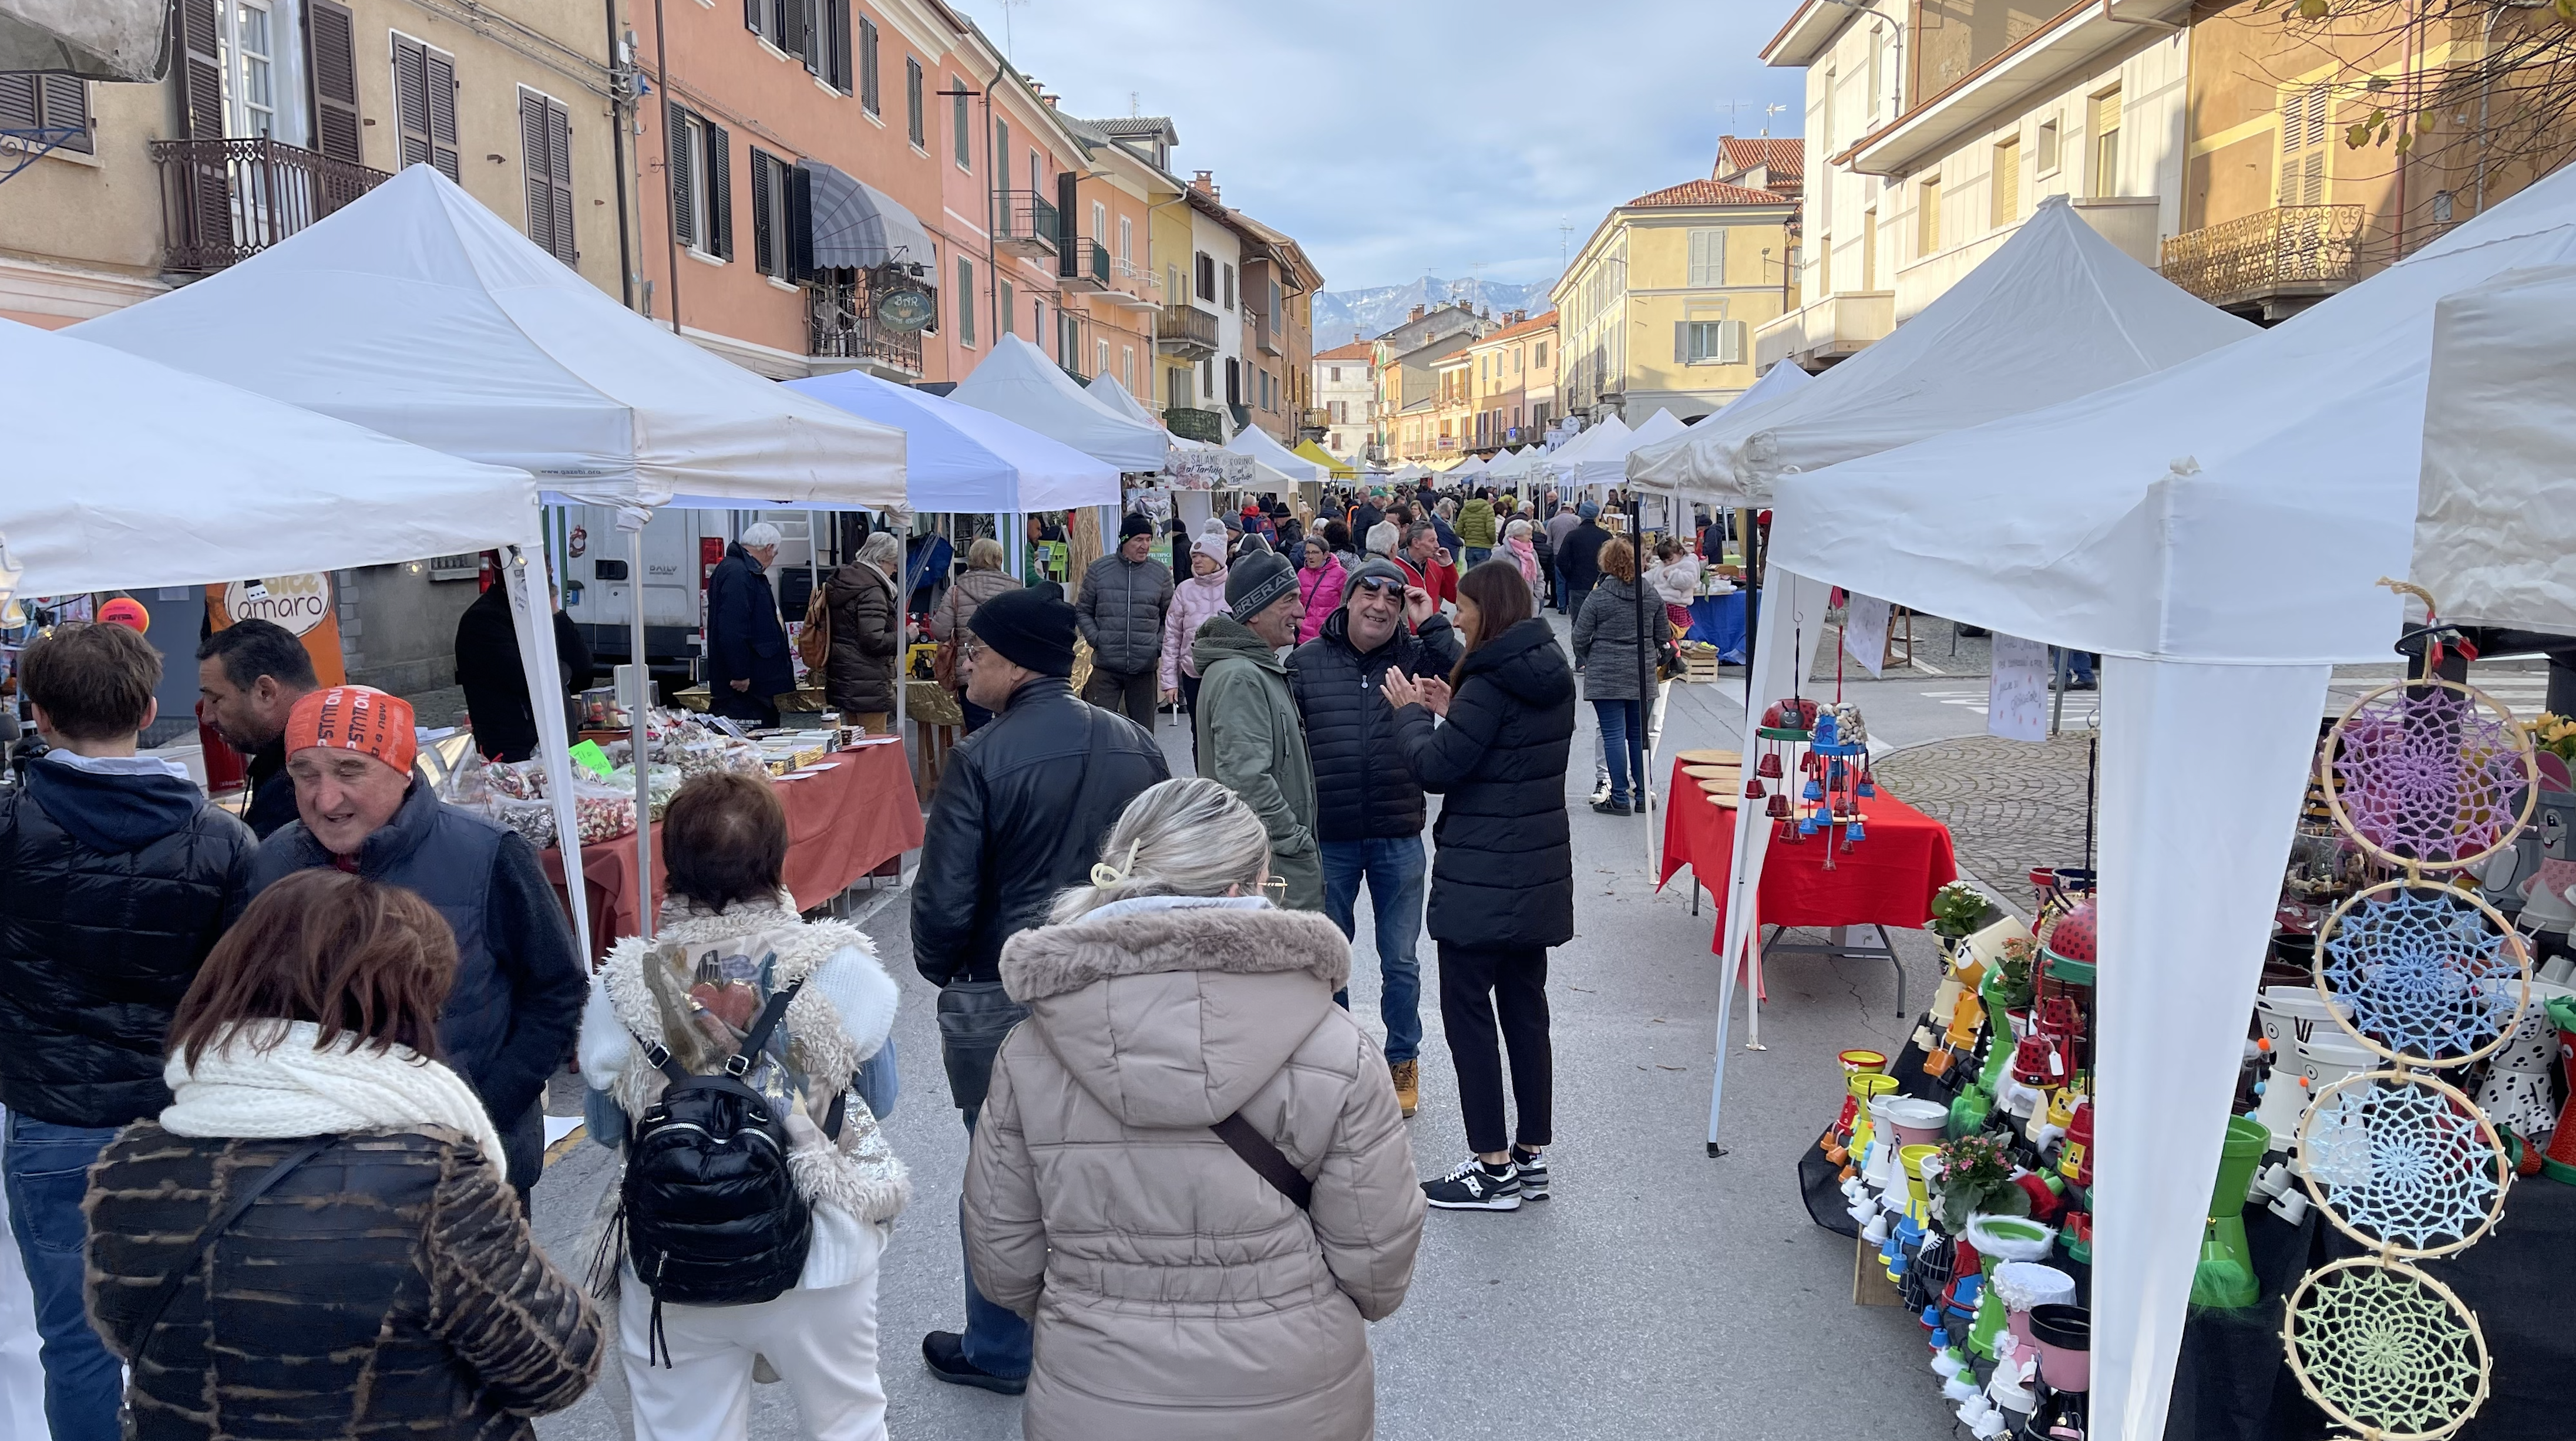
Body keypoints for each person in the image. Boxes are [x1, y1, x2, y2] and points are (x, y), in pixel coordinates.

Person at [962, 778, 1424, 1441]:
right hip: (1294, 1395)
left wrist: (1093, 1306)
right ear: (1242, 892)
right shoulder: (1338, 1048)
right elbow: (1377, 1268)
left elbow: (1005, 1263)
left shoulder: (1031, 1050)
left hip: (1094, 1397)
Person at [83, 870, 603, 1439]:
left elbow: (128, 1332)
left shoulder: (129, 1165)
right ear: (400, 1004)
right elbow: (559, 1368)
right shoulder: (431, 1178)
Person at [581, 773, 908, 1441]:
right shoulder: (841, 969)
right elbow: (879, 1099)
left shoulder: (626, 982)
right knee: (849, 1421)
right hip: (822, 1248)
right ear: (779, 860)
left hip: (674, 1251)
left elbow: (606, 1127)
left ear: (671, 865)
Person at [2, 621, 257, 1441]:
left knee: (74, 1342)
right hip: (181, 1117)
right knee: (189, 1333)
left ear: (37, 715)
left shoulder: (10, 826)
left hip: (51, 1118)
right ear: (149, 708)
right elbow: (248, 995)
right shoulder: (222, 838)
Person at [911, 585, 1168, 1395]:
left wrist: (945, 964)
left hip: (1002, 991)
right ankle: (1113, 1337)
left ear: (1018, 661)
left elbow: (942, 913)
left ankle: (1001, 1345)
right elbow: (1166, 881)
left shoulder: (979, 758)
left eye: (977, 653)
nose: (963, 668)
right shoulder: (1138, 746)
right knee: (1113, 1167)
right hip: (1118, 989)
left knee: (1000, 1178)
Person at [247, 685, 587, 1196]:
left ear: (403, 769)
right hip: (317, 1179)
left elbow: (557, 990)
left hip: (469, 1169)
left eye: (348, 770)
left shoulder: (489, 854)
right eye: (305, 774)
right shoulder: (270, 864)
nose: (325, 798)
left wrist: (485, 1107)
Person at [1381, 563, 1575, 1211]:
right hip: (1535, 876)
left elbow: (1438, 767)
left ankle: (1491, 1168)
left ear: (1486, 612)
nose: (1456, 616)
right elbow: (1501, 745)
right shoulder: (1544, 668)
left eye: (1462, 608)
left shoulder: (1489, 681)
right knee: (1526, 1013)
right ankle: (1530, 1156)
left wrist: (1413, 717)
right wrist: (1452, 701)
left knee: (1468, 1018)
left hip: (1482, 878)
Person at [1289, 558, 1458, 1117]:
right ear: (1348, 598)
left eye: (1393, 597)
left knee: (1401, 960)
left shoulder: (1416, 657)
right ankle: (1335, 1060)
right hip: (1330, 836)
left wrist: (1429, 622)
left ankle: (1401, 1059)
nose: (1381, 606)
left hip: (1397, 832)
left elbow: (1473, 683)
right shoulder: (1305, 664)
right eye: (1370, 594)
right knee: (1329, 959)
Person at [1192, 550, 1322, 912]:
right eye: (1289, 601)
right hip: (1271, 864)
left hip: (1270, 858)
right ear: (1254, 613)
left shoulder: (1254, 668)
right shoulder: (1241, 676)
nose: (1300, 611)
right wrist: (1293, 838)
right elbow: (1245, 779)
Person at [452, 566, 596, 764]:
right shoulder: (483, 619)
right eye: (542, 566)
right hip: (516, 753)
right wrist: (562, 671)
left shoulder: (539, 612)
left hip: (562, 743)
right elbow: (530, 678)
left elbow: (584, 672)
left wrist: (556, 614)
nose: (549, 571)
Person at [194, 616, 320, 837]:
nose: (207, 717)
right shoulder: (304, 761)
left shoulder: (302, 781)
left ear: (265, 692)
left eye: (215, 699)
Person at [1573, 537, 1651, 817]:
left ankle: (1619, 796)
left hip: (1606, 670)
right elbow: (1664, 635)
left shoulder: (1599, 595)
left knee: (1613, 735)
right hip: (1641, 670)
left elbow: (1579, 636)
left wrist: (1590, 654)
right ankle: (1642, 794)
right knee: (1638, 734)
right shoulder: (1649, 593)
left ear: (1606, 563)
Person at [1076, 514, 1175, 732]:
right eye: (1139, 540)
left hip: (1144, 668)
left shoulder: (1160, 574)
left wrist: (1156, 646)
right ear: (1124, 541)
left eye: (1149, 539)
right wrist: (1098, 640)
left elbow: (1171, 618)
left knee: (1144, 733)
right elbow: (1083, 611)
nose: (1145, 546)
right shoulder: (1099, 571)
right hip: (1106, 668)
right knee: (1101, 731)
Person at [707, 522, 793, 728]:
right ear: (769, 548)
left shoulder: (737, 569)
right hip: (745, 687)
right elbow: (732, 629)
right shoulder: (740, 573)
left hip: (752, 681)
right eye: (775, 553)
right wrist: (740, 673)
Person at [929, 538, 1019, 733]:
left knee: (978, 735)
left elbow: (940, 631)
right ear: (998, 559)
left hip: (970, 671)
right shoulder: (1015, 590)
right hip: (1007, 672)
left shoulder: (956, 591)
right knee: (1008, 732)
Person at [825, 530, 904, 734]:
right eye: (893, 563)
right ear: (880, 560)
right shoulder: (872, 591)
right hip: (868, 684)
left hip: (846, 678)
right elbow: (873, 640)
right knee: (874, 749)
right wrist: (907, 636)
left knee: (855, 748)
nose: (895, 570)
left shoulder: (847, 580)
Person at [1158, 533, 1231, 746]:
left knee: (1229, 731)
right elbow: (1172, 638)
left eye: (1203, 556)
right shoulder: (1184, 590)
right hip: (1193, 674)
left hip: (1228, 673)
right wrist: (1170, 682)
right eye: (1194, 556)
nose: (1197, 561)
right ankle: (1203, 777)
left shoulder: (1233, 586)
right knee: (1199, 734)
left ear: (1217, 559)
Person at [1555, 502, 1610, 621]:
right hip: (1600, 584)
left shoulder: (1572, 536)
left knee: (1578, 621)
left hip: (1578, 584)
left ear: (1581, 515)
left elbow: (1560, 560)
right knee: (1599, 622)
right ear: (1597, 516)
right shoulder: (1606, 536)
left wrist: (1570, 576)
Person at [1294, 535, 1347, 645]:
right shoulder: (1302, 574)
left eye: (1315, 553)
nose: (1310, 556)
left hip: (1328, 636)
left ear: (1326, 555)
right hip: (1304, 637)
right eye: (1308, 553)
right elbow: (1296, 601)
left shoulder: (1340, 574)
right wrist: (1298, 621)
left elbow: (1346, 604)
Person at [1647, 537, 1704, 638]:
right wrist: (1641, 580)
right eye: (1665, 562)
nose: (1668, 563)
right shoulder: (1663, 566)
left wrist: (1672, 575)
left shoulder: (1688, 565)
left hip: (1674, 605)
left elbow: (1688, 581)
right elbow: (1653, 574)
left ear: (1681, 553)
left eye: (1670, 560)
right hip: (1660, 602)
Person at [1400, 521, 1459, 608]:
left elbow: (1455, 597)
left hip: (1433, 621)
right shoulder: (1396, 566)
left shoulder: (1435, 566)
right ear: (1416, 542)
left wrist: (1448, 566)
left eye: (1437, 540)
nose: (1437, 545)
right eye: (1432, 541)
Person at [1543, 499, 1585, 614]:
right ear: (1571, 510)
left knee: (1560, 582)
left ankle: (1562, 606)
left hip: (1557, 555)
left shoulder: (1552, 521)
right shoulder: (1577, 520)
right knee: (1572, 581)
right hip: (1574, 555)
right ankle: (1572, 606)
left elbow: (1549, 541)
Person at [1505, 517, 1543, 611]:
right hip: (1509, 604)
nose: (1531, 538)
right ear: (1518, 535)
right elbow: (1494, 580)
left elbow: (1539, 575)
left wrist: (1537, 594)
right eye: (1528, 534)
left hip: (1530, 602)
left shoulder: (1532, 552)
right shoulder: (1502, 553)